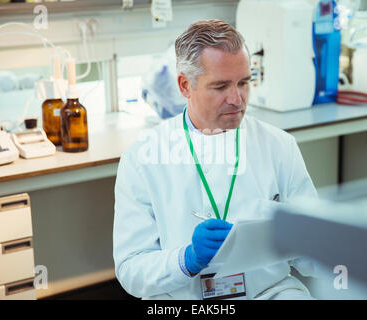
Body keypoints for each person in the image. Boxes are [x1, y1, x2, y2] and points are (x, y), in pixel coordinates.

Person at [113, 19, 320, 300]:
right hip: (182, 297)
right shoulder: (143, 157)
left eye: (244, 83)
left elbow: (314, 260)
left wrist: (316, 242)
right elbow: (131, 269)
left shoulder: (278, 145)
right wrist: (186, 259)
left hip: (268, 293)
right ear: (185, 86)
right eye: (221, 86)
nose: (237, 99)